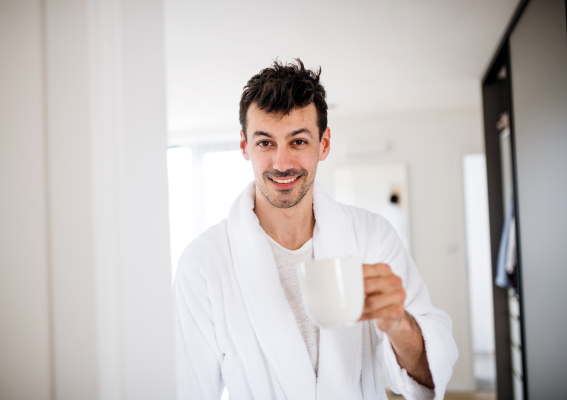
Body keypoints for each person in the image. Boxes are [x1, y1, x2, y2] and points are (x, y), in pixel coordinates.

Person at [173, 59, 458, 400]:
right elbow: (188, 389)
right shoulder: (203, 264)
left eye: (298, 142)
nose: (281, 163)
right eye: (265, 143)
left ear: (323, 144)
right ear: (244, 146)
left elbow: (428, 375)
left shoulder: (372, 237)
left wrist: (399, 324)